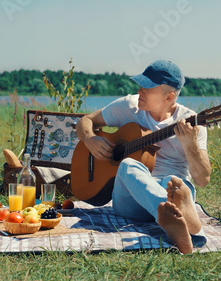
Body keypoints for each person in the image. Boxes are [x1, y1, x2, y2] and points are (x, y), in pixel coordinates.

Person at [76, 60, 211, 254]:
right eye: (140, 85)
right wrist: (89, 138)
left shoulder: (192, 123)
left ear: (169, 96)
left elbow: (203, 180)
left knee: (172, 182)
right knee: (127, 164)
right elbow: (85, 120)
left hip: (171, 189)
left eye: (147, 87)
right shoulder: (129, 106)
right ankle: (188, 228)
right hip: (131, 198)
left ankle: (176, 221)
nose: (140, 91)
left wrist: (190, 146)